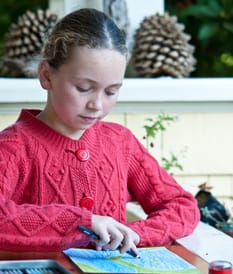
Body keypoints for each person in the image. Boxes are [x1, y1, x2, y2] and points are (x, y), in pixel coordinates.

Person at [0, 8, 200, 253]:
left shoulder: (120, 143)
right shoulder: (13, 147)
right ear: (46, 76)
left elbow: (182, 206)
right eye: (84, 88)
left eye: (111, 91)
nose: (97, 104)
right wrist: (82, 223)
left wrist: (135, 234)